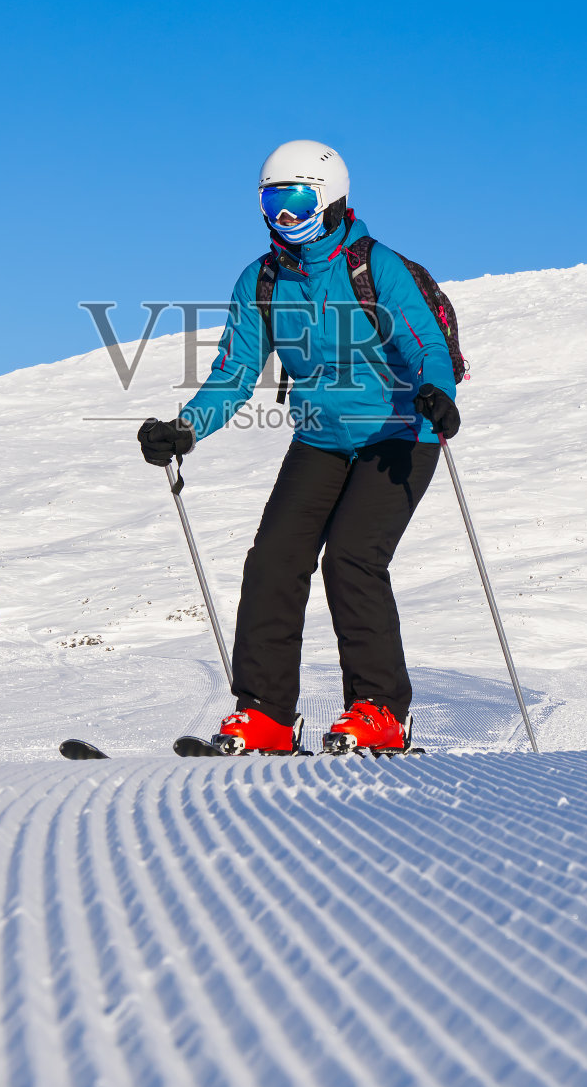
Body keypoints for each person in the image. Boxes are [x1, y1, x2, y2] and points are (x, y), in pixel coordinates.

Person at [137, 139, 459, 754]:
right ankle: (266, 716)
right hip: (319, 438)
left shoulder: (376, 266)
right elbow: (234, 373)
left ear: (331, 197)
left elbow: (425, 345)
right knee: (273, 561)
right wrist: (186, 429)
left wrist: (436, 393)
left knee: (352, 559)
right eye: (272, 200)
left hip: (400, 435)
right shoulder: (262, 279)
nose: (284, 216)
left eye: (296, 200)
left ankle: (381, 710)